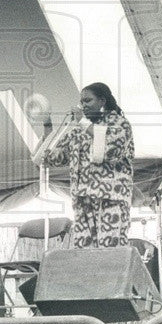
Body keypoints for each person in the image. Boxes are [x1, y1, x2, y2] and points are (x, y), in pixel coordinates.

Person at [33, 83, 134, 249]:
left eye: (88, 100)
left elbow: (111, 151)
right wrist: (47, 125)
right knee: (84, 251)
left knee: (111, 249)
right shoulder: (77, 130)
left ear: (102, 101)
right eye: (82, 101)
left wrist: (83, 122)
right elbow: (54, 158)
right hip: (82, 199)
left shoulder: (119, 123)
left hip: (110, 198)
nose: (83, 105)